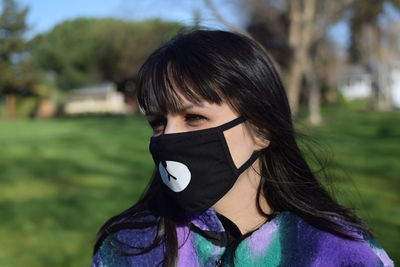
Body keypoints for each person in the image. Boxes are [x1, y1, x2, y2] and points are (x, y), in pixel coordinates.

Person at [91, 29, 393, 267]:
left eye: (194, 117)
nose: (168, 137)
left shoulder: (337, 253)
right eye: (157, 122)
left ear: (262, 129)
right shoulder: (130, 248)